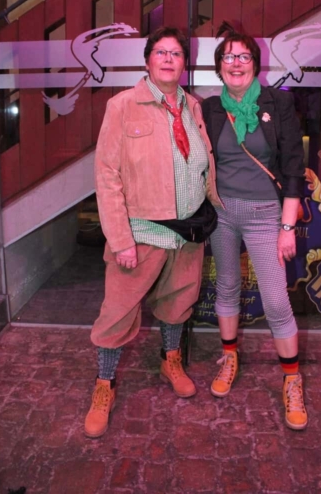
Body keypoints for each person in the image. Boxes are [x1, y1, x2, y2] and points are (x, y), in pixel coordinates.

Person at [84, 26, 219, 438]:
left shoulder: (193, 107)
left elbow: (202, 164)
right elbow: (107, 176)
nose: (168, 59)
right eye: (161, 52)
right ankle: (104, 385)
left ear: (184, 63)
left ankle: (170, 360)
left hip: (187, 231)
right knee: (117, 312)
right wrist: (120, 238)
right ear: (147, 60)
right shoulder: (122, 106)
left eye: (176, 53)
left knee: (178, 302)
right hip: (141, 232)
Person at [202, 22, 308, 430]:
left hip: (266, 214)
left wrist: (287, 226)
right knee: (227, 287)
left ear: (255, 63)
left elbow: (294, 167)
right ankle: (229, 357)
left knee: (276, 301)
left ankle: (292, 380)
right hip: (222, 212)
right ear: (219, 66)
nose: (236, 63)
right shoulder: (210, 108)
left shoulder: (278, 104)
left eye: (243, 56)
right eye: (228, 56)